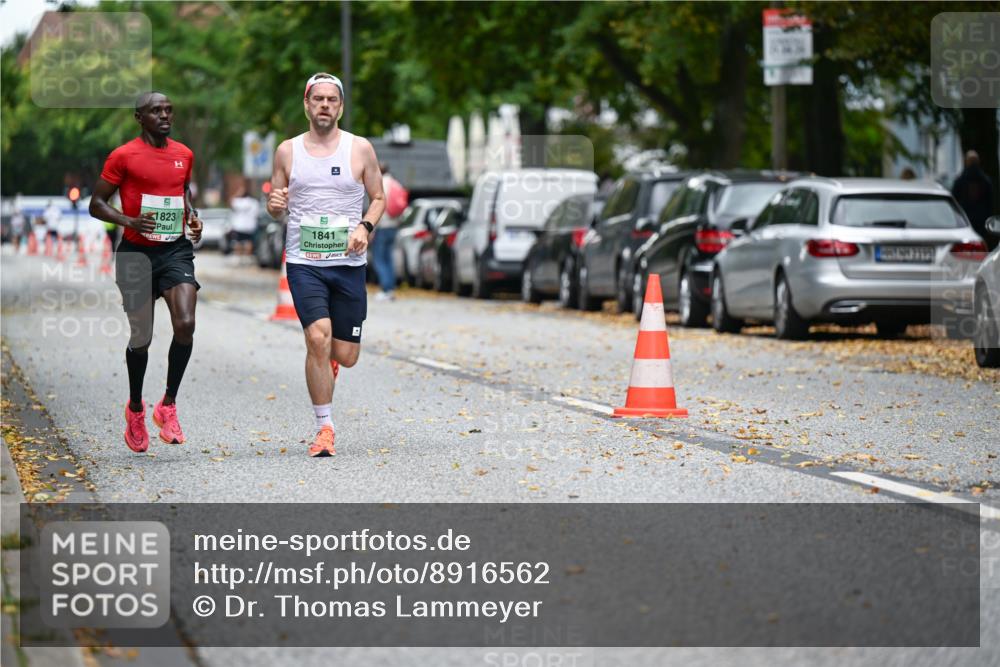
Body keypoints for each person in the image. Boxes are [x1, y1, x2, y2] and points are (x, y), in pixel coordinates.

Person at [266, 72, 385, 457]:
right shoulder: (287, 151)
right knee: (317, 338)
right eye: (317, 99)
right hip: (304, 262)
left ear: (341, 106)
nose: (324, 105)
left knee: (345, 355)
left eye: (331, 100)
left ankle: (328, 364)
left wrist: (365, 226)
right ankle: (325, 428)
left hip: (349, 264)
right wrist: (274, 205)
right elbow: (275, 203)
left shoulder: (359, 148)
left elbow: (379, 197)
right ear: (306, 104)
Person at [89, 91, 203, 453]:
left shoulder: (183, 154)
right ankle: (136, 408)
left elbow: (182, 192)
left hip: (174, 250)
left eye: (169, 110)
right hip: (136, 253)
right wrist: (128, 220)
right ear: (140, 117)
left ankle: (168, 405)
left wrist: (192, 216)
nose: (165, 115)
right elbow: (96, 203)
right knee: (142, 337)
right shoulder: (123, 156)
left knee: (185, 323)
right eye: (156, 111)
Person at [952, 150, 996, 249]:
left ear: (966, 162)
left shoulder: (960, 181)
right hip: (982, 223)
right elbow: (991, 204)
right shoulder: (986, 181)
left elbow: (954, 202)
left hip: (965, 221)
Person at [371, 163, 402, 300]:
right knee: (388, 258)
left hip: (382, 226)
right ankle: (390, 289)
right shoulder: (396, 183)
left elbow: (378, 207)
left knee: (379, 259)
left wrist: (371, 228)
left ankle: (385, 288)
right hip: (393, 226)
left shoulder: (381, 183)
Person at [229, 179, 260, 262]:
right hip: (250, 226)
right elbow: (257, 214)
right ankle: (247, 258)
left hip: (239, 226)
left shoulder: (239, 201)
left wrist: (237, 193)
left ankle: (238, 257)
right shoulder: (254, 202)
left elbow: (231, 201)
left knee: (237, 242)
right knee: (248, 242)